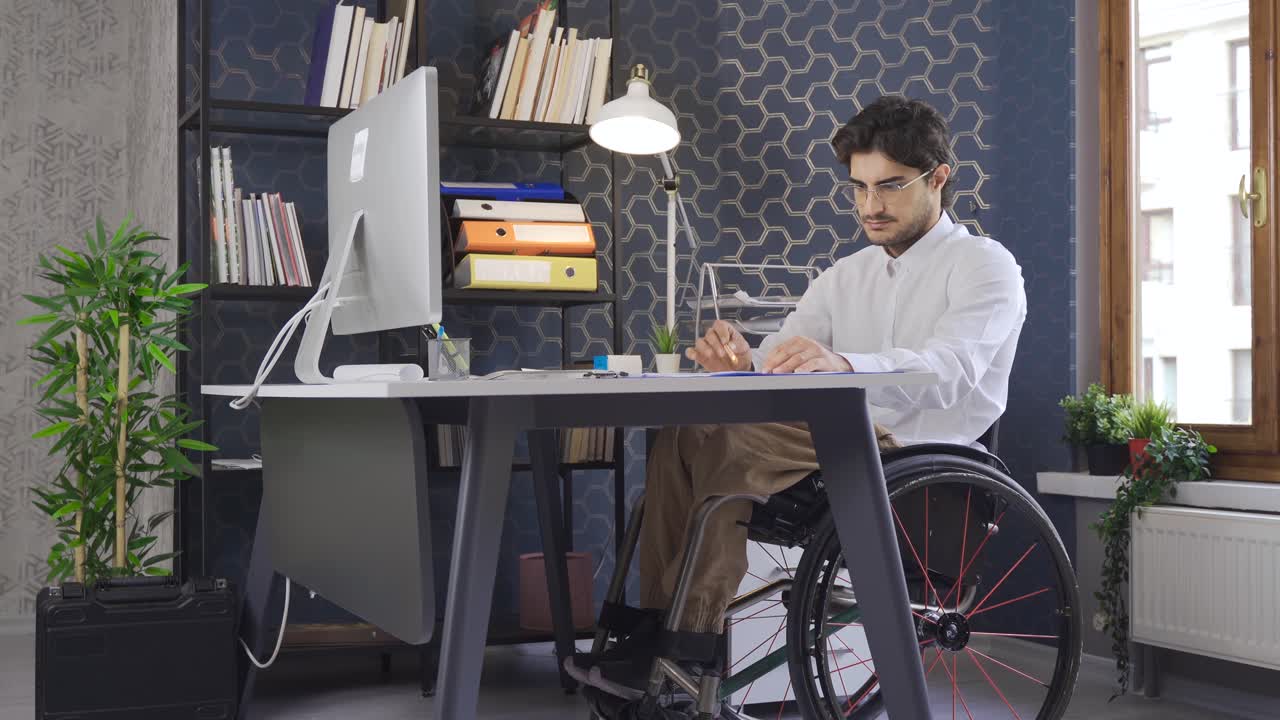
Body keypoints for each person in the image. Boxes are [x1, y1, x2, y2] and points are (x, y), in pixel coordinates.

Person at [572, 95, 1028, 707]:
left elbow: (953, 370)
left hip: (919, 465)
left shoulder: (984, 266)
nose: (870, 206)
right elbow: (783, 351)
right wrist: (742, 360)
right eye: (859, 188)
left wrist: (845, 364)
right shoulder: (848, 276)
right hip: (836, 446)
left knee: (728, 440)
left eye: (889, 187)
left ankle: (687, 645)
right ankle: (652, 630)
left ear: (939, 178)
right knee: (688, 428)